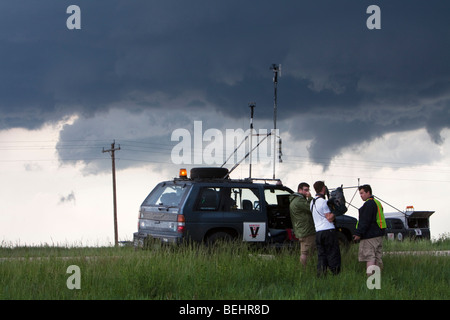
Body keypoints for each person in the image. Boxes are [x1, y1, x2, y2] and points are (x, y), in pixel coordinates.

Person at [353, 184, 386, 275]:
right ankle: (377, 281)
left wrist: (358, 233)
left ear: (368, 192)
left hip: (369, 236)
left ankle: (371, 280)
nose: (361, 195)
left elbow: (365, 221)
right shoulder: (377, 202)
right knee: (377, 257)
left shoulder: (368, 204)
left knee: (369, 257)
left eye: (362, 193)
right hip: (378, 234)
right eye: (360, 194)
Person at [310, 181, 341, 276]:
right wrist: (336, 211)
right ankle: (335, 273)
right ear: (323, 188)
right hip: (328, 231)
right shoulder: (323, 202)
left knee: (321, 255)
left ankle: (321, 274)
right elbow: (329, 218)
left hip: (318, 232)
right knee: (332, 253)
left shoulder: (312, 202)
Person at [289, 182, 316, 267]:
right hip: (306, 230)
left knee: (305, 251)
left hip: (301, 229)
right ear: (300, 190)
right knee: (306, 252)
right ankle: (304, 269)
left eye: (308, 190)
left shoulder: (295, 200)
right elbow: (311, 207)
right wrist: (310, 198)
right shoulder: (299, 200)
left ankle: (304, 269)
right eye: (305, 190)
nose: (307, 192)